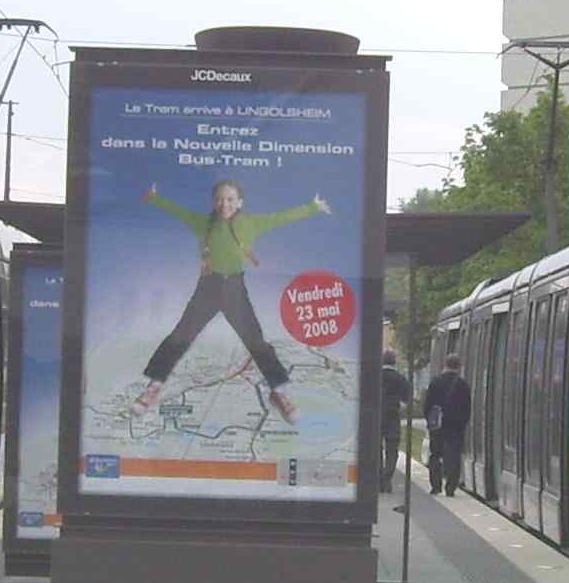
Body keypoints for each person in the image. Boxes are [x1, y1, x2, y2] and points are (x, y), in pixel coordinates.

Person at [132, 180, 331, 423]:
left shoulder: (251, 223)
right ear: (213, 202)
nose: (224, 204)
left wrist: (312, 207)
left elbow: (282, 217)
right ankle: (154, 386)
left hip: (235, 288)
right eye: (219, 199)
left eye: (229, 199)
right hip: (208, 287)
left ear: (239, 203)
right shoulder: (203, 223)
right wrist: (154, 198)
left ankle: (278, 393)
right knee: (180, 335)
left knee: (256, 341)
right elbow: (179, 212)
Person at [425, 351, 473, 497]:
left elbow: (427, 405)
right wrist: (462, 423)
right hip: (456, 427)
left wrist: (430, 421)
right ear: (459, 366)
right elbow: (467, 408)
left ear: (445, 364)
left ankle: (436, 485)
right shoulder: (463, 384)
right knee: (454, 456)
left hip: (437, 426)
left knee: (435, 455)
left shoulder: (435, 382)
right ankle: (450, 487)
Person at [378, 352, 412, 491]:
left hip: (376, 416)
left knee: (376, 449)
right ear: (394, 362)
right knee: (392, 449)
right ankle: (386, 479)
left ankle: (378, 477)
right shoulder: (400, 378)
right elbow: (407, 399)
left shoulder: (374, 376)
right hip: (393, 416)